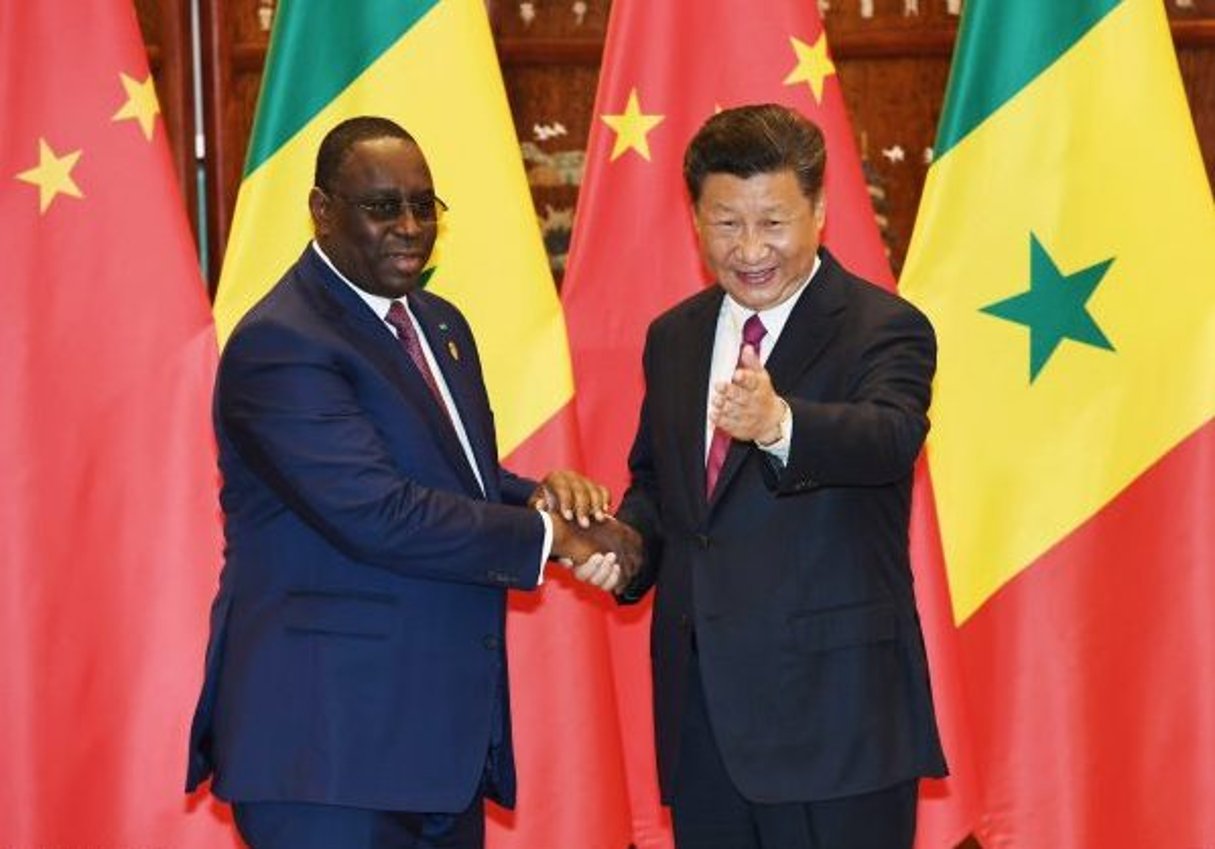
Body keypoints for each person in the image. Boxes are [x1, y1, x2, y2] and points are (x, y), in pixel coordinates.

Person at [186, 115, 626, 849]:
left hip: (434, 745)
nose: (410, 226)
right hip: (326, 753)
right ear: (323, 212)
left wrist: (539, 498)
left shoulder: (438, 323)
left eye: (424, 205)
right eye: (382, 206)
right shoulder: (281, 341)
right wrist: (553, 538)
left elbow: (456, 479)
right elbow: (378, 510)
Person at [613, 104, 948, 849]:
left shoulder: (883, 326)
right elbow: (661, 487)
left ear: (820, 211)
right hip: (704, 722)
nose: (750, 248)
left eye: (773, 222)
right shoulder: (674, 336)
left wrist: (778, 424)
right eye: (726, 223)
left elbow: (889, 437)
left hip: (836, 723)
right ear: (695, 218)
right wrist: (623, 544)